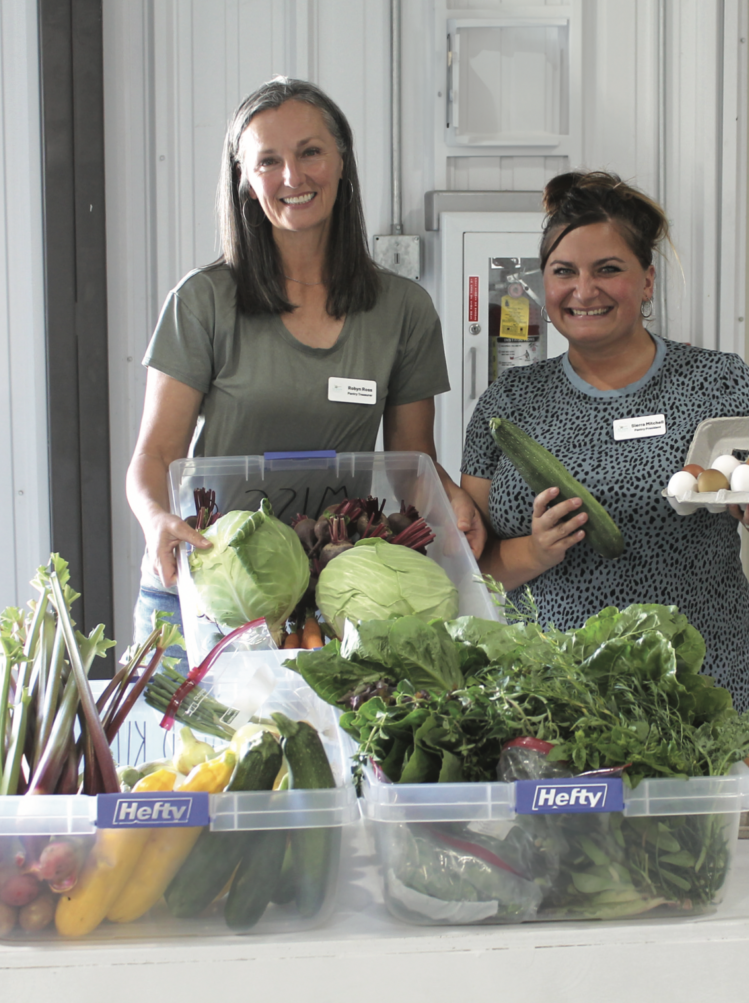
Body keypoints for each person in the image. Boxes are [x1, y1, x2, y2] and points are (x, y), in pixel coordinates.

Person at [127, 77, 484, 655]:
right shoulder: (202, 301)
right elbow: (155, 454)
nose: (292, 176)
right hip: (210, 586)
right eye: (268, 161)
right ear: (245, 179)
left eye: (310, 152)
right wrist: (153, 518)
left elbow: (411, 463)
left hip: (330, 592)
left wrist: (453, 503)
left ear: (341, 161)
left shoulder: (403, 310)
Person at [461, 170, 749, 712]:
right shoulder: (509, 402)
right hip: (547, 696)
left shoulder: (721, 385)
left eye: (608, 269)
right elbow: (472, 569)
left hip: (691, 695)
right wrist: (534, 551)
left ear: (647, 281)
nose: (584, 291)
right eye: (564, 271)